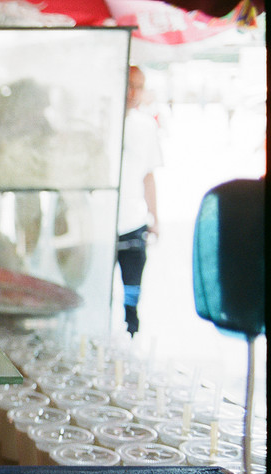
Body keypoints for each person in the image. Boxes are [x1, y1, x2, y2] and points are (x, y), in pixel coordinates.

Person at [116, 65, 163, 336]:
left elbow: (148, 176)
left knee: (132, 289)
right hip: (100, 223)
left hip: (132, 222)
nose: (133, 92)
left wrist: (155, 217)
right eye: (129, 83)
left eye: (139, 86)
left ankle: (130, 333)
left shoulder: (146, 126)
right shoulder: (98, 121)